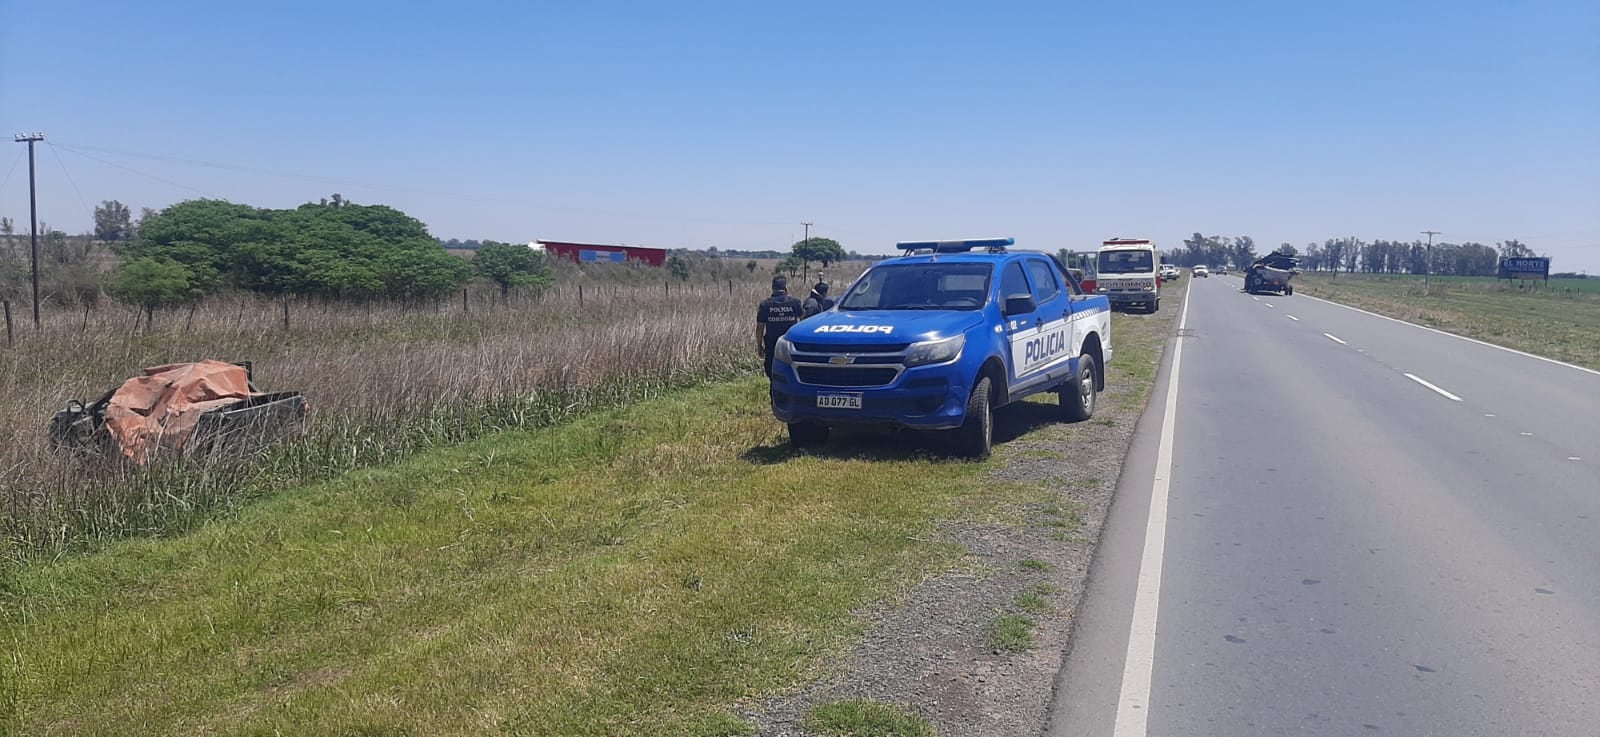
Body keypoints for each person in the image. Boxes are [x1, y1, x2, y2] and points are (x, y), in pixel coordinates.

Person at [756, 275, 804, 377]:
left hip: (772, 344)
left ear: (772, 288)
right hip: (790, 344)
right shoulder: (795, 302)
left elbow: (760, 328)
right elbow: (804, 322)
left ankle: (774, 388)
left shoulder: (765, 305)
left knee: (771, 370)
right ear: (786, 288)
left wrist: (759, 345)